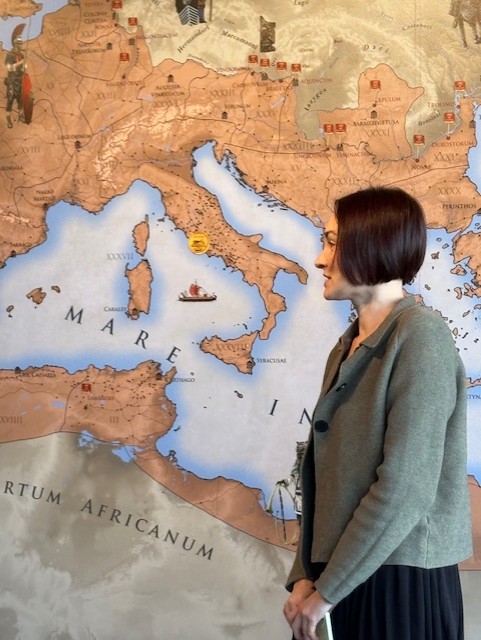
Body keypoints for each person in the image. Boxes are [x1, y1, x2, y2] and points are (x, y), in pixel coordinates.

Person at [283, 186, 473, 640]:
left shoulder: (420, 337)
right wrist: (304, 574)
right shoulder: (349, 345)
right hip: (341, 576)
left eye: (332, 242)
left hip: (395, 583)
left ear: (373, 244)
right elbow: (327, 479)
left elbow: (406, 487)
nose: (320, 260)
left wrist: (328, 590)